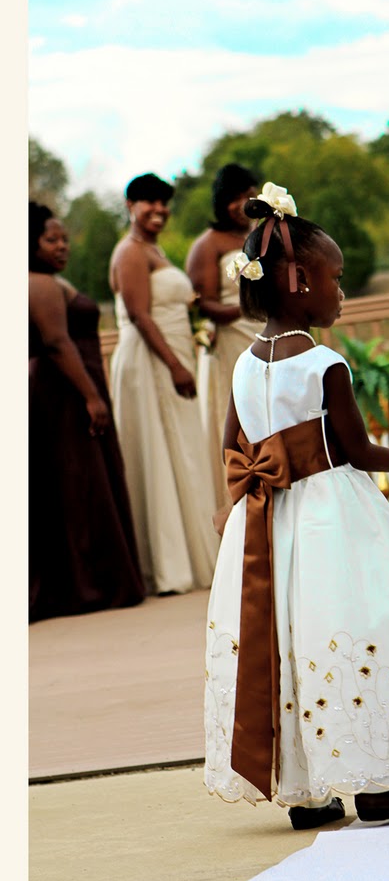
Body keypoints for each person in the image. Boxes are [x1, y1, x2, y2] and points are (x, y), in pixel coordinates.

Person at [202, 184, 389, 830]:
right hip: (330, 520)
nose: (341, 292)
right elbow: (360, 453)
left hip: (268, 522)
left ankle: (307, 790)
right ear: (298, 279)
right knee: (353, 629)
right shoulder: (321, 363)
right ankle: (376, 784)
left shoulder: (243, 364)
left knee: (288, 637)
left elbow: (234, 444)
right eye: (336, 278)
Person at [29, 200, 146, 621]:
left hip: (66, 390)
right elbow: (58, 343)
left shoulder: (45, 279)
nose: (62, 245)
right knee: (81, 483)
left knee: (76, 483)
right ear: (29, 241)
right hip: (65, 394)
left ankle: (86, 581)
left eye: (63, 238)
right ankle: (91, 584)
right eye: (50, 238)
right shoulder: (38, 283)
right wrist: (91, 396)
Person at [108, 172, 218, 595]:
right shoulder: (130, 252)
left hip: (171, 352)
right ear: (129, 206)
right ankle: (170, 567)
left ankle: (191, 556)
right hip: (152, 359)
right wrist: (174, 364)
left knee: (183, 455)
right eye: (148, 202)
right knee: (163, 455)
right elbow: (139, 315)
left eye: (163, 203)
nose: (158, 210)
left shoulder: (152, 248)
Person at [187, 162, 263, 512]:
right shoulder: (207, 245)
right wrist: (247, 307)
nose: (244, 203)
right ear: (223, 202)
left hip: (267, 330)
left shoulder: (259, 234)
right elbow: (205, 305)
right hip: (233, 339)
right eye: (237, 197)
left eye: (250, 195)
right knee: (239, 417)